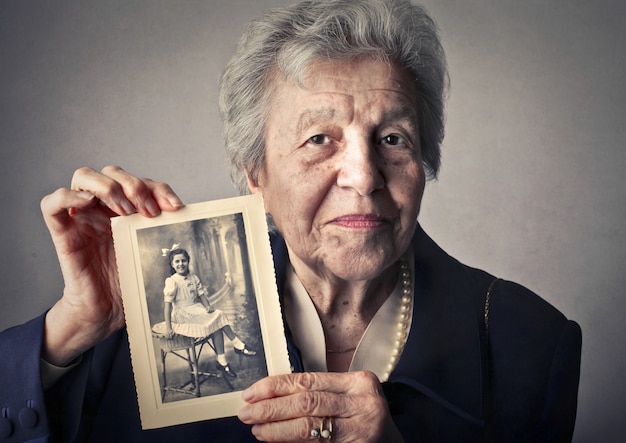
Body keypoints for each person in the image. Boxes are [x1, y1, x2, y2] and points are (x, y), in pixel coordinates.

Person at [0, 0, 581, 442]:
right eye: (319, 138)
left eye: (392, 138)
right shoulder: (130, 316)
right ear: (256, 174)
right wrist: (73, 329)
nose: (364, 175)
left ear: (423, 162)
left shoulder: (528, 342)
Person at [160, 247, 256, 378]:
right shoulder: (172, 281)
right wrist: (168, 327)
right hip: (182, 314)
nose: (180, 264)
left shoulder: (193, 278)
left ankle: (222, 361)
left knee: (216, 320)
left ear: (188, 261)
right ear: (172, 264)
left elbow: (201, 295)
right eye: (177, 261)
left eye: (183, 260)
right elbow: (168, 305)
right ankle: (238, 345)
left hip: (196, 309)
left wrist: (207, 306)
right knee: (219, 316)